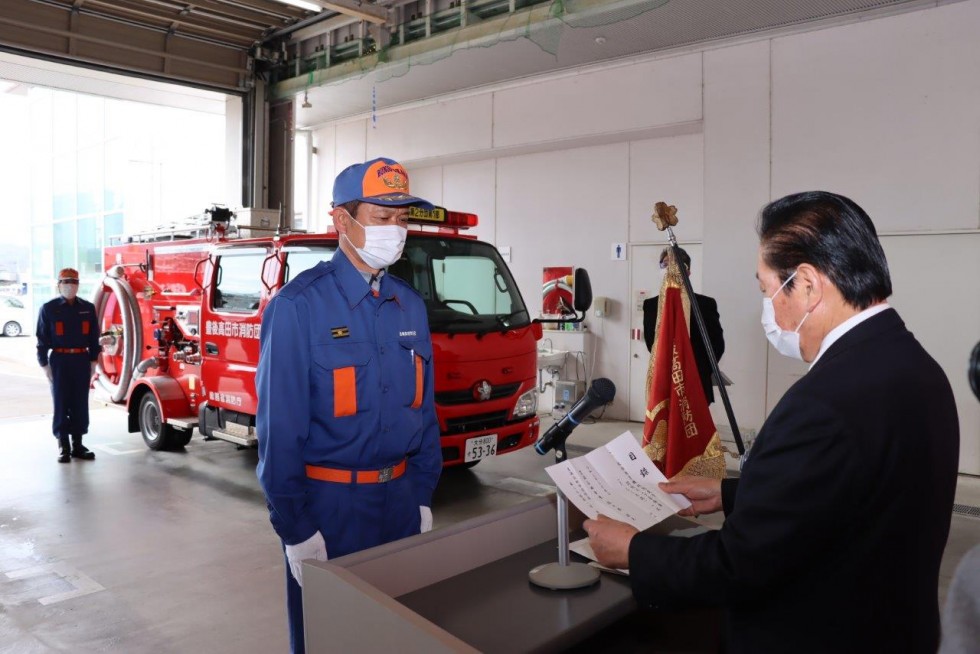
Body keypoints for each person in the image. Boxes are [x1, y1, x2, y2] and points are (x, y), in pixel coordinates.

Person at [585, 191, 959, 653]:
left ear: (805, 284)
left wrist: (632, 551)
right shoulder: (914, 366)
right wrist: (730, 493)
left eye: (766, 289)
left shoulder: (825, 401)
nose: (767, 308)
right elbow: (855, 488)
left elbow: (741, 566)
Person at [255, 157, 442, 654]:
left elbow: (424, 413)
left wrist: (422, 494)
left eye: (402, 220)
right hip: (331, 510)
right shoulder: (298, 308)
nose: (396, 231)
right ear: (342, 220)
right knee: (330, 640)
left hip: (400, 499)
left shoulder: (410, 305)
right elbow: (279, 432)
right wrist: (296, 529)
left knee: (397, 636)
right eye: (382, 219)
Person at [642, 247, 725, 403]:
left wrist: (696, 371)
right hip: (664, 380)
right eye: (665, 264)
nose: (669, 269)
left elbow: (717, 344)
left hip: (696, 380)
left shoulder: (705, 304)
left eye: (676, 265)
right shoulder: (651, 305)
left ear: (688, 272)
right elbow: (651, 343)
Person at [36, 267, 101, 463]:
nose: (69, 285)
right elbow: (42, 339)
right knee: (61, 402)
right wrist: (44, 364)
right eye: (65, 281)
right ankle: (63, 445)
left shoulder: (88, 308)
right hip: (59, 361)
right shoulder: (49, 309)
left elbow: (93, 337)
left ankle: (78, 445)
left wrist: (94, 361)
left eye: (73, 281)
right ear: (58, 285)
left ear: (78, 285)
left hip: (81, 360)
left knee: (80, 402)